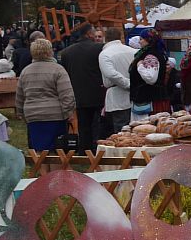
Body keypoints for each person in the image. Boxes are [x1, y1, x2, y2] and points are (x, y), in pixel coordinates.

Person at [15, 38, 76, 151]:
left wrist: (20, 113)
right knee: (56, 148)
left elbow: (20, 96)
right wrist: (69, 112)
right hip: (55, 114)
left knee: (38, 149)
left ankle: (40, 162)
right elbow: (67, 94)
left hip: (33, 115)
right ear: (50, 51)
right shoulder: (58, 70)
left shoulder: (25, 71)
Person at [59, 23, 106, 153]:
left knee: (83, 125)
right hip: (97, 93)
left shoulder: (67, 52)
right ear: (89, 34)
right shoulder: (99, 49)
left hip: (78, 93)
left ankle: (84, 151)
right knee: (97, 125)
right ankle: (96, 150)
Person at [99, 26, 137, 136]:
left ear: (105, 38)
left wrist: (127, 84)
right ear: (120, 37)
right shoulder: (133, 51)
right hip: (135, 95)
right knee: (136, 129)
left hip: (117, 96)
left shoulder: (105, 54)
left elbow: (111, 74)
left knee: (122, 132)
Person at [129, 28, 170, 119]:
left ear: (148, 40)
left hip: (149, 99)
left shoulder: (150, 56)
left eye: (141, 39)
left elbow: (151, 78)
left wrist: (140, 66)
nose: (139, 42)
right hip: (149, 97)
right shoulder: (150, 53)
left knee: (148, 126)